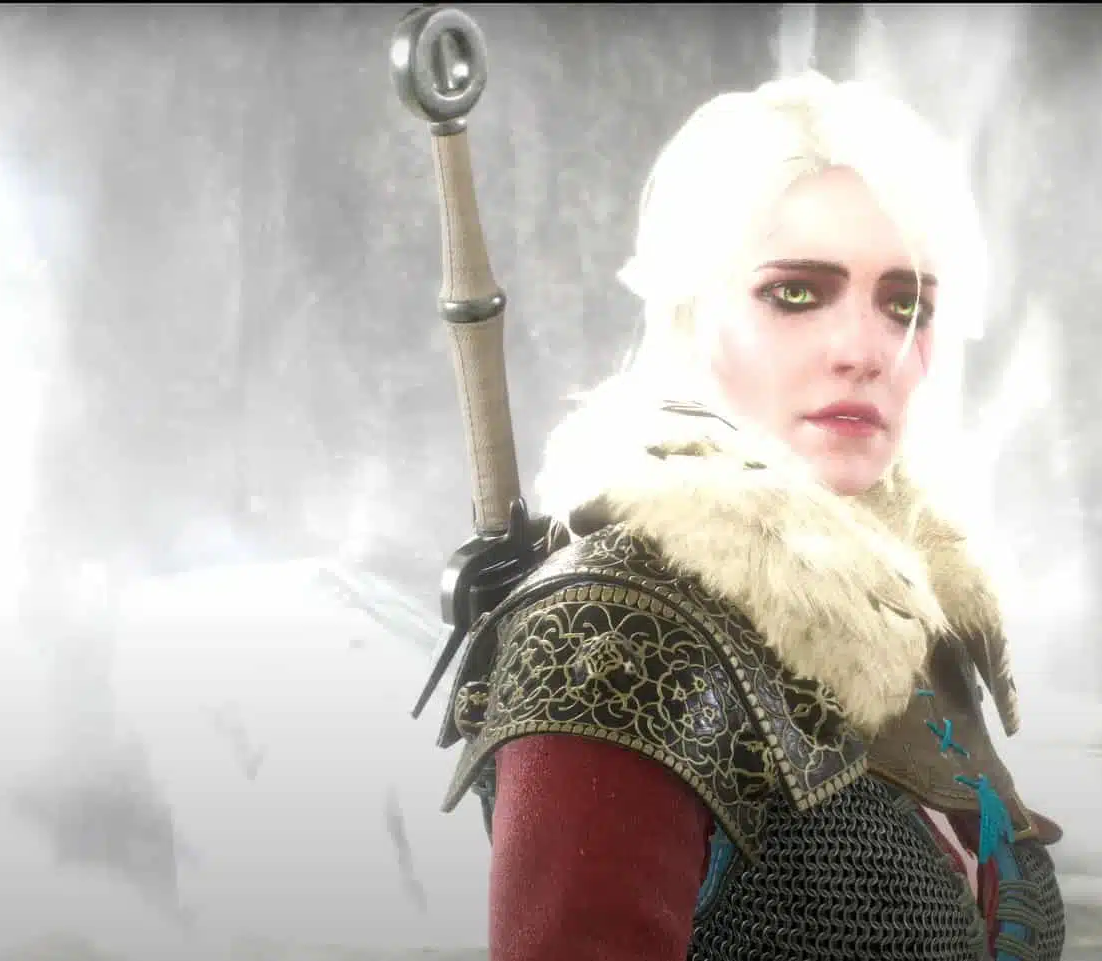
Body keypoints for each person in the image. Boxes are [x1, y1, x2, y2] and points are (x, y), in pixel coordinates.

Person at [433, 71, 1066, 961]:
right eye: (797, 293)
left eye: (904, 304)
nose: (866, 350)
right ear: (692, 314)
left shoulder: (906, 608)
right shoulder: (617, 635)